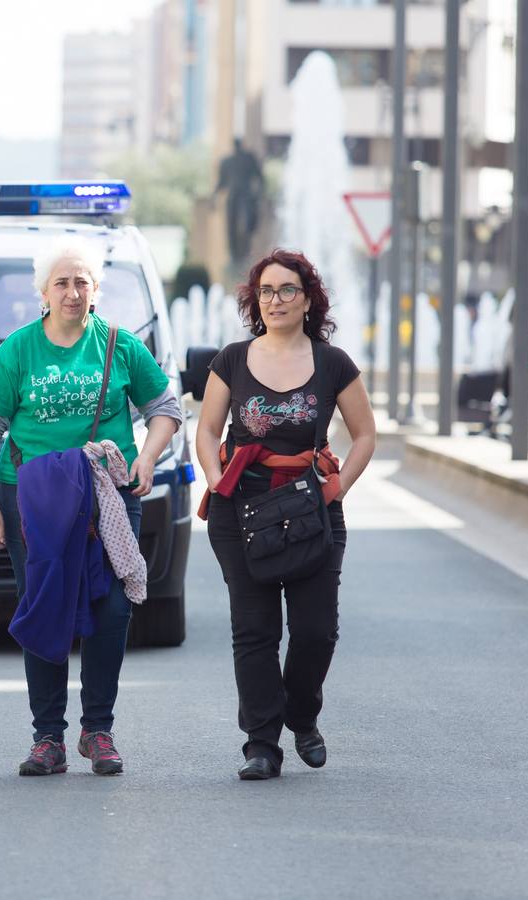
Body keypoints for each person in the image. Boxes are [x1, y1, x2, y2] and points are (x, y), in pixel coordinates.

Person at [0, 237, 183, 777]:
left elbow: (166, 408)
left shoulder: (119, 344)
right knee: (46, 605)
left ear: (95, 289)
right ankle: (48, 738)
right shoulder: (17, 350)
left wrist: (148, 457)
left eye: (81, 281)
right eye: (61, 282)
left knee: (111, 608)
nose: (71, 291)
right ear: (43, 291)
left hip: (107, 494)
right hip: (34, 500)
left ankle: (98, 730)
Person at [194, 248, 376, 781]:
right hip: (242, 509)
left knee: (317, 631)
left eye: (288, 290)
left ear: (308, 299)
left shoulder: (333, 362)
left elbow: (365, 434)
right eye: (266, 291)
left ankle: (302, 714)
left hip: (310, 509)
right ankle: (262, 744)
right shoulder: (231, 358)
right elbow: (207, 429)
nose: (276, 300)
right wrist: (213, 475)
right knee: (254, 630)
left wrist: (337, 487)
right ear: (256, 300)